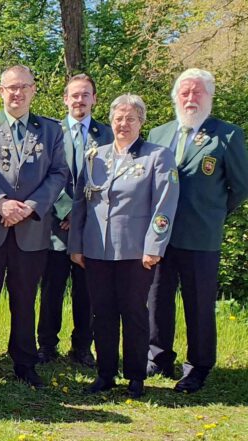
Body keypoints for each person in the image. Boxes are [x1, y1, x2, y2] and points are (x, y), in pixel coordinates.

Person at [0, 65, 68, 388]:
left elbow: (59, 173)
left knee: (24, 299)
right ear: (1, 92)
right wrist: (0, 202)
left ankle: (25, 362)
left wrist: (30, 207)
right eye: (11, 88)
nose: (17, 93)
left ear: (33, 90)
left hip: (31, 229)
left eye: (23, 87)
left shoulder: (51, 130)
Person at [146, 68, 248, 392]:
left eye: (198, 92)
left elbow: (241, 186)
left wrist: (214, 212)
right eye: (185, 92)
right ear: (175, 97)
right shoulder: (158, 134)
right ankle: (158, 357)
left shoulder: (226, 135)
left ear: (209, 96)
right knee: (157, 299)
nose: (191, 98)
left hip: (201, 236)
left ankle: (198, 366)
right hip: (161, 236)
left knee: (199, 303)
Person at [70, 94, 178, 398]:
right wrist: (76, 244)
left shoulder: (157, 156)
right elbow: (80, 203)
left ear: (141, 122)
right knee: (102, 313)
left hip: (136, 252)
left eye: (131, 118)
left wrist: (155, 245)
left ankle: (135, 376)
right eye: (118, 118)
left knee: (133, 313)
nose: (123, 124)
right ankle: (105, 374)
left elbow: (164, 205)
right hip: (97, 249)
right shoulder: (95, 156)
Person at [38, 74, 113, 367]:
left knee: (87, 292)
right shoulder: (50, 132)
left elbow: (113, 180)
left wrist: (81, 215)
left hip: (92, 227)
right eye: (74, 95)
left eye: (85, 95)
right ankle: (46, 345)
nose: (79, 100)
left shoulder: (107, 135)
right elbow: (43, 174)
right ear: (65, 99)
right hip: (55, 225)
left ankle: (82, 347)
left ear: (94, 99)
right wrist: (66, 209)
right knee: (52, 290)